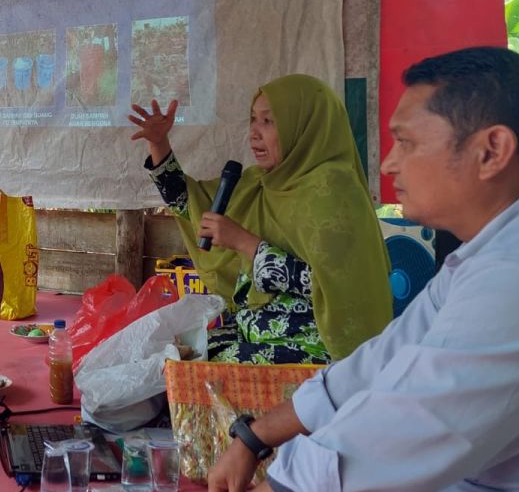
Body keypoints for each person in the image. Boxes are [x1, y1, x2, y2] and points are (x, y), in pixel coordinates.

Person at [208, 47, 519, 492]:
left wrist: (273, 490)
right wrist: (255, 436)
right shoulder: (488, 252)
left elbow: (400, 429)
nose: (388, 164)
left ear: (492, 151)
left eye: (405, 142)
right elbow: (385, 357)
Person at [129, 74, 391, 364]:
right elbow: (187, 204)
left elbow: (342, 288)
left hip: (314, 350)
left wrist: (246, 244)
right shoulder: (258, 183)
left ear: (303, 126)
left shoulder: (333, 192)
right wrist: (159, 143)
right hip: (252, 333)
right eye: (253, 119)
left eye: (268, 121)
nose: (254, 132)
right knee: (160, 351)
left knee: (190, 367)